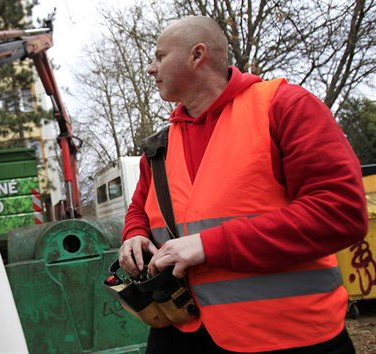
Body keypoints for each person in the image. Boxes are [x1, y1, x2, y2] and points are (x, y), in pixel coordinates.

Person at [118, 15, 368, 354]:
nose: (151, 68)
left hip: (288, 336)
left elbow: (340, 212)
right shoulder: (160, 145)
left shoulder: (284, 107)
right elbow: (140, 209)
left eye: (160, 56)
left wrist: (207, 245)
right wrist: (133, 233)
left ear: (197, 55)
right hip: (182, 331)